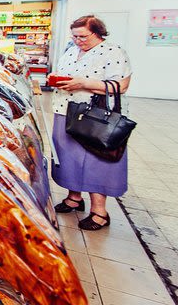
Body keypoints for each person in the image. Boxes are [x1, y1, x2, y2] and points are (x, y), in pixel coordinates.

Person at [49, 15, 132, 231]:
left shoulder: (113, 52)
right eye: (75, 36)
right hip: (65, 110)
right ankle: (74, 198)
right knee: (69, 157)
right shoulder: (72, 50)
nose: (78, 40)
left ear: (97, 32)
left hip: (94, 115)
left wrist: (84, 83)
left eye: (83, 36)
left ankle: (99, 212)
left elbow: (121, 86)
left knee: (96, 161)